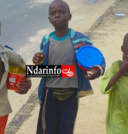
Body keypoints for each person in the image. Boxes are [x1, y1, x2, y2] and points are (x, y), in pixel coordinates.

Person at [32, 0, 105, 134]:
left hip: (71, 95)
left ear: (69, 16)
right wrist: (38, 61)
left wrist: (97, 70)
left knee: (66, 130)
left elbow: (98, 59)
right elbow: (41, 66)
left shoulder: (81, 39)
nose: (57, 15)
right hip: (50, 93)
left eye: (62, 12)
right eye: (53, 13)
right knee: (48, 129)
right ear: (49, 19)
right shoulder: (46, 40)